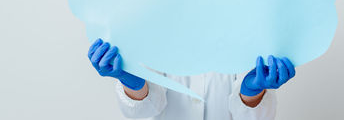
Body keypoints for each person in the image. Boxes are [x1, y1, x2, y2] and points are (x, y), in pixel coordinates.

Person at [88, 38, 296, 120]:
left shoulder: (244, 29)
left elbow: (250, 116)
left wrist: (253, 92)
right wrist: (130, 79)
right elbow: (146, 110)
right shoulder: (152, 28)